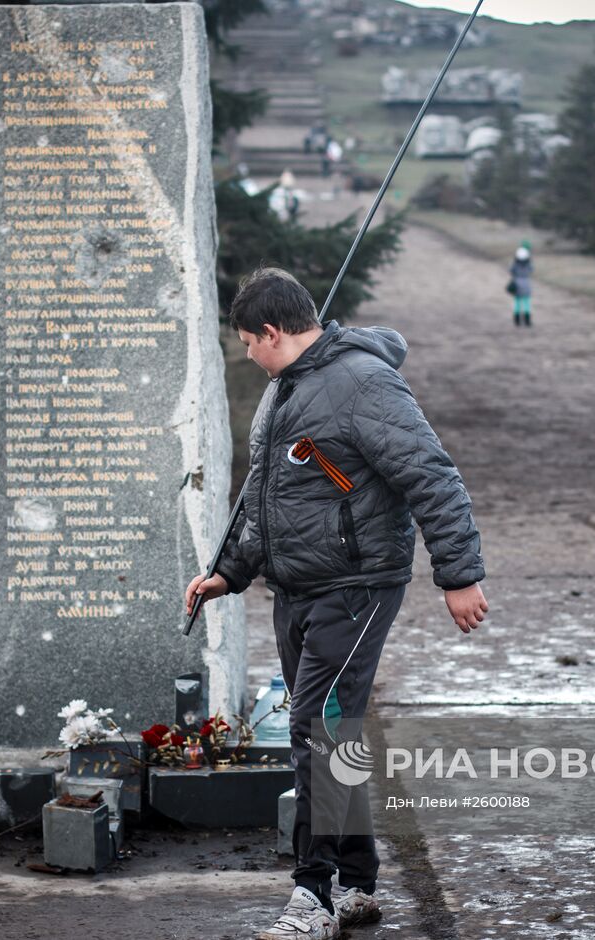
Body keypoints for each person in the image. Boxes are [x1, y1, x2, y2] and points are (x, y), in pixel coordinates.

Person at [184, 267, 489, 940]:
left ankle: (312, 897)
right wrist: (228, 573)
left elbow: (429, 474)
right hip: (297, 589)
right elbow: (266, 498)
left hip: (356, 588)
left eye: (247, 343)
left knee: (317, 733)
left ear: (271, 332)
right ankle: (354, 884)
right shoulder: (282, 391)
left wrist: (458, 575)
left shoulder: (361, 382)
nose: (247, 356)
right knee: (332, 731)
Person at [510, 243, 533, 327]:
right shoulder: (528, 264)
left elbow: (511, 270)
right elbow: (531, 270)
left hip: (517, 283)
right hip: (526, 283)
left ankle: (517, 321)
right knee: (527, 303)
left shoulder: (515, 264)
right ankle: (527, 321)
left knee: (517, 303)